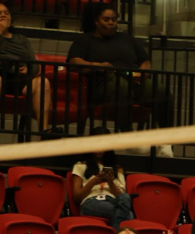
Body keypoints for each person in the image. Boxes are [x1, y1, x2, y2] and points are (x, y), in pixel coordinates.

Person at [67, 3, 173, 156]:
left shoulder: (127, 39)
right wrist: (98, 65)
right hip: (104, 83)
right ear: (97, 21)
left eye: (114, 19)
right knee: (121, 87)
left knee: (162, 90)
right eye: (107, 19)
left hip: (134, 79)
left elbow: (145, 60)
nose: (111, 23)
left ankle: (166, 141)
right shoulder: (84, 40)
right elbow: (74, 62)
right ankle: (127, 135)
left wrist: (143, 73)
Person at [0, 1, 52, 144]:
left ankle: (43, 134)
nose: (3, 15)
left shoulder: (21, 39)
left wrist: (28, 69)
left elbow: (33, 64)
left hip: (16, 77)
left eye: (6, 13)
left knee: (43, 83)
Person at [70, 129, 133, 229]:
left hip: (112, 200)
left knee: (125, 197)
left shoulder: (117, 168)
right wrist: (93, 182)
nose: (99, 150)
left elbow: (120, 197)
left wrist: (111, 182)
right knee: (128, 215)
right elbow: (77, 198)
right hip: (91, 201)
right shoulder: (80, 165)